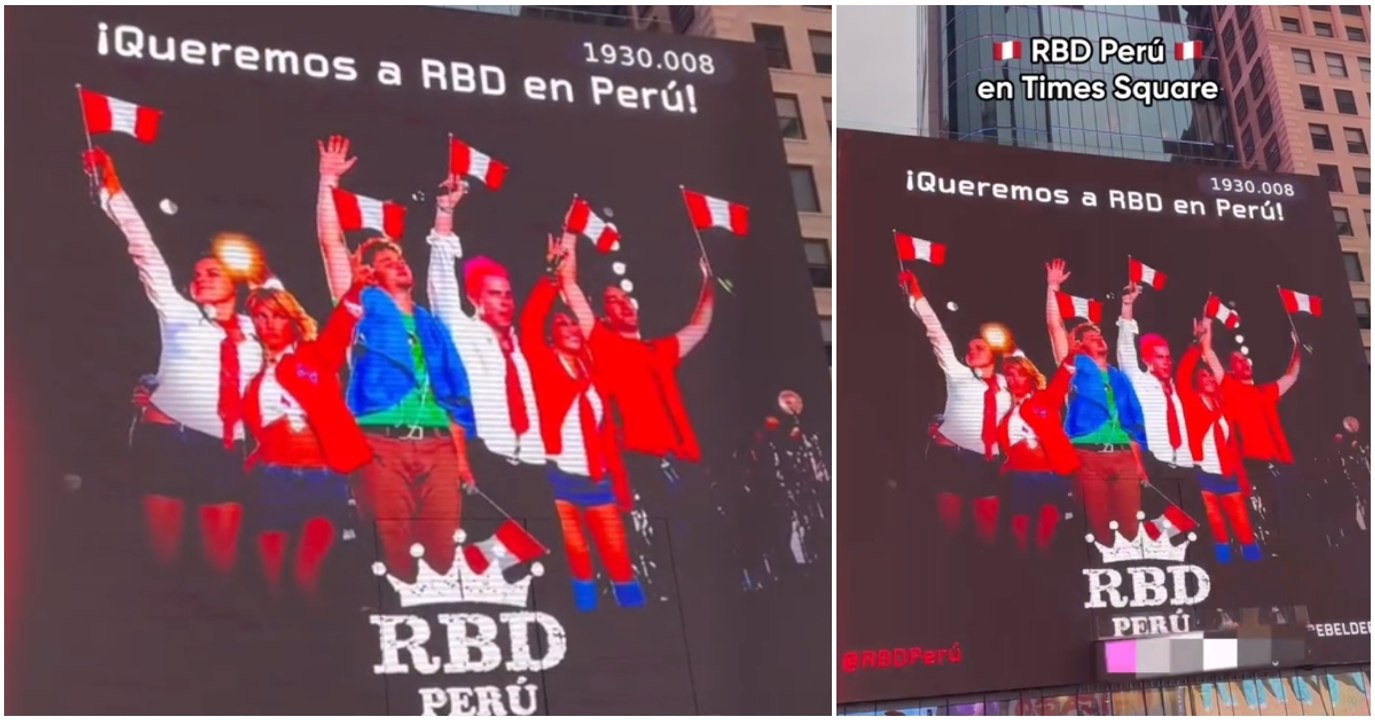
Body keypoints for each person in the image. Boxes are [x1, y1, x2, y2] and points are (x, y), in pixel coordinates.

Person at [86, 147, 258, 578]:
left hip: (224, 446)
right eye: (197, 275)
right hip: (167, 440)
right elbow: (144, 249)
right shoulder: (179, 312)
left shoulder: (262, 329)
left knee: (222, 564)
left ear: (236, 284)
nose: (202, 279)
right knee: (163, 564)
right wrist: (114, 192)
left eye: (213, 273)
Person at [315, 135, 477, 583]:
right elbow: (331, 245)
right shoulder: (361, 306)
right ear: (369, 274)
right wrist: (328, 181)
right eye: (386, 261)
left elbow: (451, 398)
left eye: (400, 258)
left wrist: (462, 459)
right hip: (381, 442)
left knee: (445, 554)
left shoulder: (430, 324)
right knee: (395, 553)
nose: (399, 263)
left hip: (438, 446)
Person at [518, 235, 642, 612]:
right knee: (578, 557)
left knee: (619, 558)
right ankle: (587, 618)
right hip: (561, 478)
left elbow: (607, 432)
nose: (570, 328)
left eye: (573, 324)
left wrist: (621, 484)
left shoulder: (593, 368)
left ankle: (636, 615)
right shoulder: (543, 361)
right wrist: (549, 276)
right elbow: (530, 322)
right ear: (551, 334)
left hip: (598, 477)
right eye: (562, 323)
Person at [242, 274, 371, 596]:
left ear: (292, 319)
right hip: (273, 476)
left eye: (277, 316)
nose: (269, 324)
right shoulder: (251, 371)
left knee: (308, 569)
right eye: (261, 316)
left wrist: (356, 288)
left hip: (322, 477)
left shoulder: (315, 356)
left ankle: (310, 623)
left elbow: (340, 329)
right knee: (271, 578)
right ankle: (276, 623)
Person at [901, 270, 1009, 544]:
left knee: (988, 532)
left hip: (987, 461)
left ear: (994, 354)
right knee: (951, 531)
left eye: (979, 347)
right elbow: (936, 332)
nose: (971, 351)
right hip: (951, 457)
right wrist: (917, 295)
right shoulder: (958, 373)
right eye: (969, 349)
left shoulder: (1009, 383)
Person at [1046, 259, 1149, 544]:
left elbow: (1131, 424)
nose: (1099, 339)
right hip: (1088, 455)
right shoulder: (1073, 367)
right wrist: (1053, 287)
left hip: (1124, 456)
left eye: (1099, 335)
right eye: (1091, 337)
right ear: (1078, 345)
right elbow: (1055, 327)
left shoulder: (1119, 377)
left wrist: (1138, 463)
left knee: (1131, 528)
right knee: (1099, 527)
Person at [1198, 309, 1302, 555]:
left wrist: (1298, 346)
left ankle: (1281, 549)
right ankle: (1252, 549)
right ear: (1231, 368)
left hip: (1272, 462)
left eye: (1245, 360)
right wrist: (1208, 319)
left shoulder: (1266, 392)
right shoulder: (1228, 386)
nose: (1243, 363)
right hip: (1245, 462)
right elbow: (1208, 352)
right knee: (1251, 509)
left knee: (1278, 510)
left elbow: (1291, 375)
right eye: (1237, 361)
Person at [1178, 318, 1259, 564]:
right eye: (1204, 376)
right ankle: (1224, 568)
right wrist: (1196, 343)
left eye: (1212, 377)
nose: (1210, 379)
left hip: (1227, 473)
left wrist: (1242, 478)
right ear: (1197, 382)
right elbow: (1183, 374)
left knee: (1243, 526)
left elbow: (1233, 446)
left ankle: (1255, 564)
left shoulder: (1224, 407)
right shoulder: (1191, 402)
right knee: (1217, 527)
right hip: (1204, 473)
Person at [1116, 284, 1197, 517]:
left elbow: (1189, 365)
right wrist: (1127, 306)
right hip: (1155, 463)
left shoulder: (1176, 389)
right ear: (1146, 360)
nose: (1167, 362)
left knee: (1191, 522)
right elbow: (1125, 349)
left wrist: (1196, 342)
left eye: (1169, 357)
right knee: (1159, 522)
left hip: (1185, 463)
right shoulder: (1138, 380)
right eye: (1160, 357)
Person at [996, 354, 1078, 554]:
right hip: (1020, 475)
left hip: (1049, 473)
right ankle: (1024, 566)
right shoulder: (1006, 410)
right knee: (1019, 528)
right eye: (1009, 374)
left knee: (1047, 526)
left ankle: (1044, 565)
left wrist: (1072, 355)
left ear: (1031, 377)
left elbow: (1061, 381)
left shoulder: (1044, 398)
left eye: (1021, 374)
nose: (1015, 379)